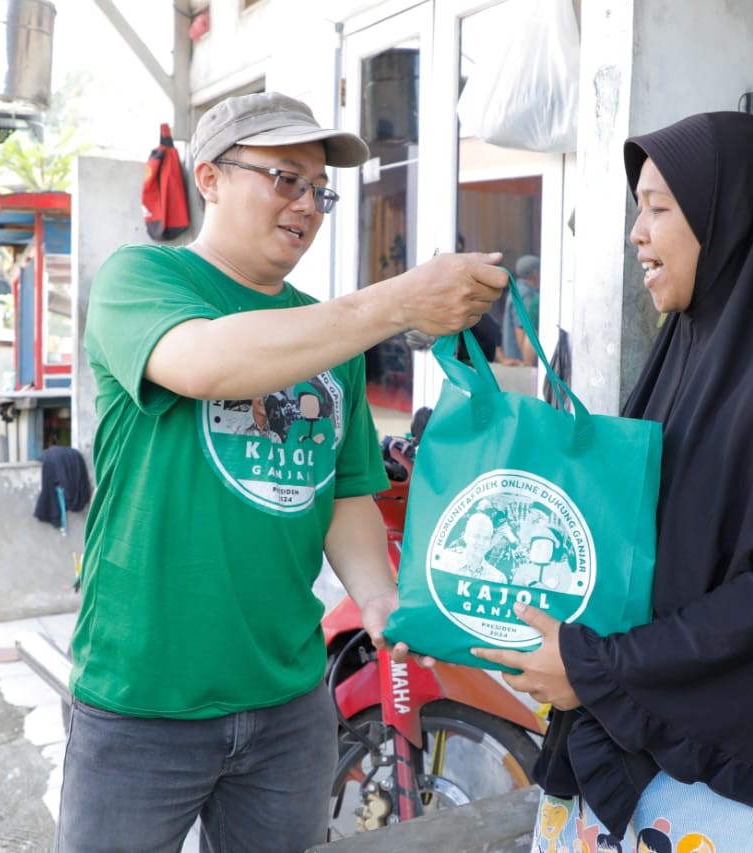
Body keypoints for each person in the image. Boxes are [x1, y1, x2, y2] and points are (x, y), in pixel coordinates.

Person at [57, 91, 507, 852]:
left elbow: (345, 491)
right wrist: (398, 299)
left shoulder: (325, 331)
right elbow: (208, 363)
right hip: (141, 700)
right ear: (209, 177)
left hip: (289, 701)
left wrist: (376, 597)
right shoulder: (143, 279)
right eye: (284, 178)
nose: (306, 203)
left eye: (319, 189)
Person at [473, 112, 753, 850]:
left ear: (731, 220)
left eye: (661, 208)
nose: (637, 233)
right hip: (668, 762)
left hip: (748, 792)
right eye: (637, 209)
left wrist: (598, 668)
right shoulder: (692, 352)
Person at [501, 253, 541, 365]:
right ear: (535, 273)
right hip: (519, 360)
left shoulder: (517, 289)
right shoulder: (526, 294)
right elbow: (522, 328)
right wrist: (527, 362)